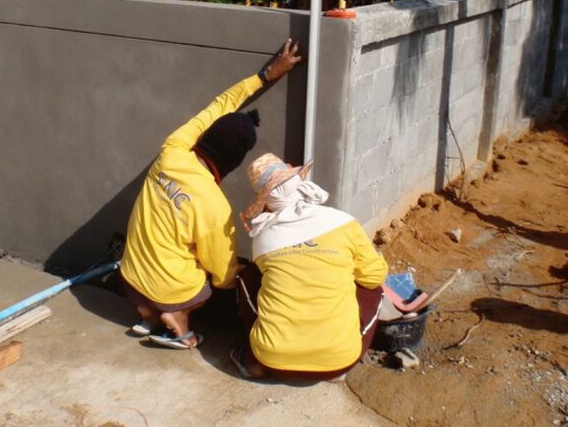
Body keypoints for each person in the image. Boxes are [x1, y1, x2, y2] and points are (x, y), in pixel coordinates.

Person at [119, 40, 302, 349]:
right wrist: (248, 276)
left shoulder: (172, 151)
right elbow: (223, 276)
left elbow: (218, 107)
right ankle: (177, 319)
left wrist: (265, 76)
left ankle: (147, 313)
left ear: (207, 136)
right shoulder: (214, 205)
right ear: (234, 160)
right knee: (205, 286)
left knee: (165, 253)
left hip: (129, 277)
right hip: (169, 290)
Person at [231, 153, 388, 379]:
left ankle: (252, 359)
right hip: (339, 361)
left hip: (273, 359)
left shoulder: (263, 237)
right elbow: (374, 277)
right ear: (299, 183)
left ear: (265, 202)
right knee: (374, 288)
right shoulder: (343, 222)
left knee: (248, 276)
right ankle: (334, 357)